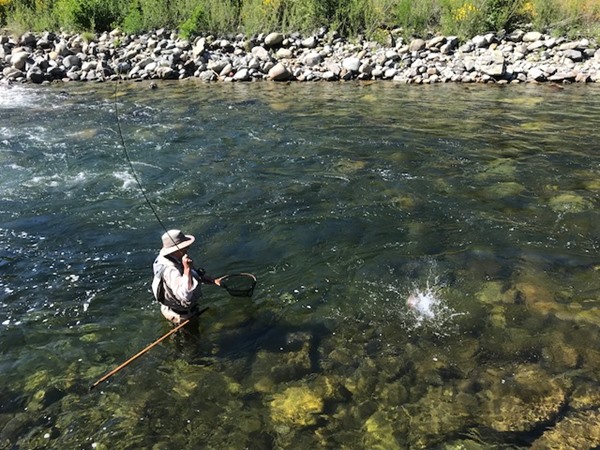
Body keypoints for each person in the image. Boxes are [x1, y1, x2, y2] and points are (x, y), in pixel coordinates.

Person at [151, 229, 217, 325]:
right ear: (176, 250)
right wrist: (187, 269)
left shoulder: (169, 257)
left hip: (171, 309)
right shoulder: (170, 270)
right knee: (193, 338)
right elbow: (185, 295)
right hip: (181, 316)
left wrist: (201, 277)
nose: (188, 247)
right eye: (185, 246)